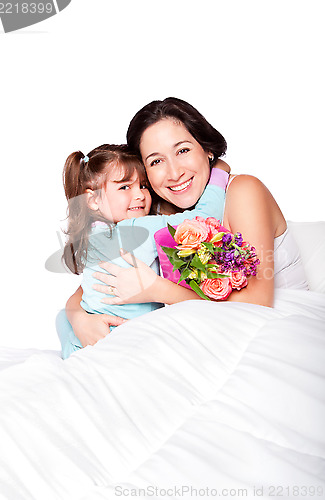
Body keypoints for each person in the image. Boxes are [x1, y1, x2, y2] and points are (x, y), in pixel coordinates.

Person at [58, 97, 308, 354]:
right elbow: (92, 284)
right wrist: (79, 319)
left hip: (271, 333)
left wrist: (157, 289)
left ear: (207, 149)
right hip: (209, 336)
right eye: (156, 161)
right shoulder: (159, 213)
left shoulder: (244, 191)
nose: (174, 172)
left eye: (183, 151)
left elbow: (256, 304)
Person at [58, 143, 229, 358]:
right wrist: (219, 171)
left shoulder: (90, 237)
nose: (139, 195)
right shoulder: (135, 230)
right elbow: (205, 216)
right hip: (128, 346)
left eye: (144, 186)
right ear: (93, 200)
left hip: (83, 344)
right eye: (125, 187)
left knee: (62, 318)